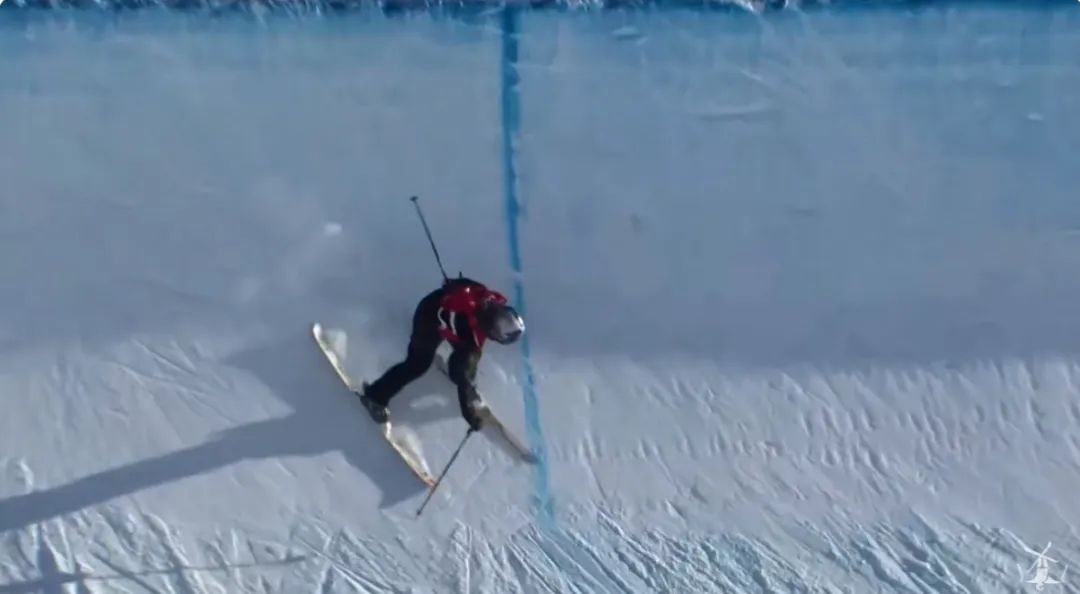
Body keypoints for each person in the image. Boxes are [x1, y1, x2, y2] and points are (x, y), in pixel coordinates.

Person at [359, 276, 525, 431]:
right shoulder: (469, 316)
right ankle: (375, 397)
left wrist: (454, 284)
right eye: (504, 320)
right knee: (417, 365)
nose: (501, 320)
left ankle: (467, 381)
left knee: (468, 359)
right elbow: (462, 293)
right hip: (428, 319)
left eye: (505, 323)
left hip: (451, 323)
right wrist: (467, 410)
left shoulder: (487, 301)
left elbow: (465, 284)